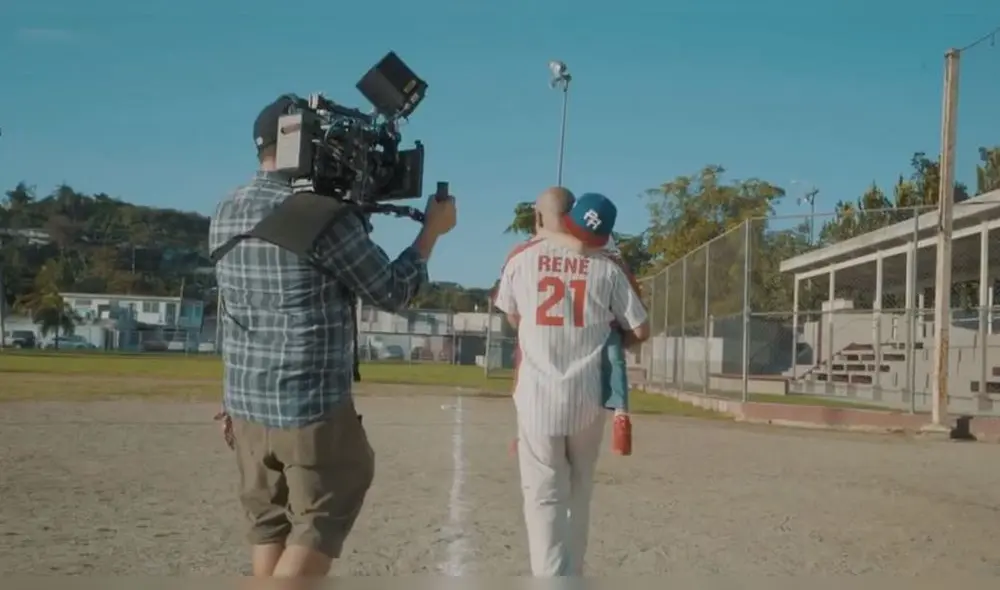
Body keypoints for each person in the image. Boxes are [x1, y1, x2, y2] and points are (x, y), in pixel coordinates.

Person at [209, 95, 457, 578]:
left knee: (269, 528)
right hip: (308, 409)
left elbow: (235, 306)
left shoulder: (226, 209)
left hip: (244, 408)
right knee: (320, 520)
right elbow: (391, 289)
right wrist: (431, 234)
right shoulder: (320, 217)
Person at [493, 192, 650, 577]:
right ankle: (572, 575)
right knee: (579, 492)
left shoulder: (521, 257)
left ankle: (550, 580)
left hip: (537, 396)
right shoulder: (607, 264)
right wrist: (612, 340)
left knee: (543, 496)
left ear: (540, 215)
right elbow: (641, 328)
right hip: (588, 396)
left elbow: (512, 316)